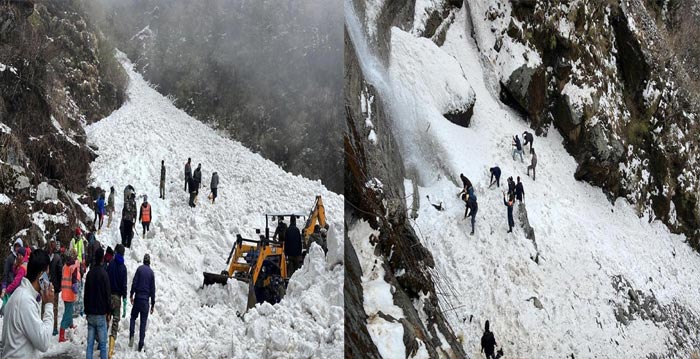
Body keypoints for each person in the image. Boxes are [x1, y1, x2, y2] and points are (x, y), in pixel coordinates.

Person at [0, 249, 54, 358]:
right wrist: (49, 305)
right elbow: (43, 342)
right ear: (41, 276)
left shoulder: (23, 295)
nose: (48, 280)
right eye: (47, 275)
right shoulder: (25, 300)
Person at [84, 247, 110, 359]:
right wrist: (108, 311)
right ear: (102, 259)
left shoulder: (90, 274)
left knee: (89, 345)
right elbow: (107, 295)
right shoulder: (104, 274)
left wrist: (86, 311)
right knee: (103, 345)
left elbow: (86, 295)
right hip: (100, 314)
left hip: (90, 314)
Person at [129, 254, 155, 352]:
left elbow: (134, 283)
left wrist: (132, 295)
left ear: (143, 261)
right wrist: (153, 304)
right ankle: (140, 344)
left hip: (138, 298)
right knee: (143, 323)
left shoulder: (139, 269)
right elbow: (153, 290)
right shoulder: (151, 273)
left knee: (133, 317)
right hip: (145, 302)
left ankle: (131, 335)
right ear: (149, 262)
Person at [106, 244, 127, 358]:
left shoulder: (111, 265)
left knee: (107, 318)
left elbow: (106, 279)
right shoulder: (123, 267)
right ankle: (111, 349)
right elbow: (124, 285)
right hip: (118, 297)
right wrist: (124, 300)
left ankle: (101, 342)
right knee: (115, 321)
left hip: (109, 296)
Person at [59, 250, 80, 343]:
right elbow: (74, 283)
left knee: (69, 310)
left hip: (64, 292)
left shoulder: (65, 266)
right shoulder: (73, 267)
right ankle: (61, 335)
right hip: (70, 293)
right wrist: (77, 292)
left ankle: (71, 325)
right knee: (67, 313)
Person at [48, 240, 62, 336]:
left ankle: (47, 326)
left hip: (47, 285)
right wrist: (59, 285)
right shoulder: (58, 258)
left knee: (46, 306)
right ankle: (54, 327)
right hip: (55, 285)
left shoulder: (47, 257)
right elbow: (60, 272)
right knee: (54, 307)